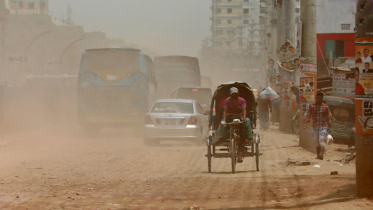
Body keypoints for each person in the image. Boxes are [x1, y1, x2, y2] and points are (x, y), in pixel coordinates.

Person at [214, 87, 253, 162]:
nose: (234, 95)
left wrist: (244, 118)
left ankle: (247, 137)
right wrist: (224, 120)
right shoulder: (227, 100)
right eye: (233, 94)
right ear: (230, 94)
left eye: (235, 94)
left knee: (247, 121)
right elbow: (225, 111)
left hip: (239, 116)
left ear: (237, 94)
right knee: (222, 123)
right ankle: (220, 137)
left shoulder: (242, 100)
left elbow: (244, 110)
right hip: (230, 116)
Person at [304, 92, 332, 160]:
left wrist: (329, 126)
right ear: (316, 98)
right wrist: (306, 121)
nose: (319, 99)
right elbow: (308, 114)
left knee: (321, 140)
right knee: (316, 141)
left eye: (320, 98)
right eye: (318, 98)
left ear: (322, 99)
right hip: (315, 127)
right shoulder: (312, 106)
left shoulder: (325, 107)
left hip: (323, 127)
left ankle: (321, 154)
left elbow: (328, 117)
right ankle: (318, 155)